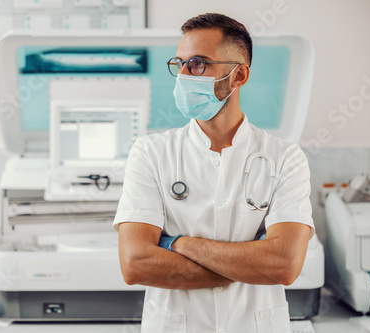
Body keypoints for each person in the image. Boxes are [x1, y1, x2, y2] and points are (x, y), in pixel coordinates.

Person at [113, 12, 314, 333]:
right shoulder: (151, 152)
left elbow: (284, 265)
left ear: (238, 76)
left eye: (197, 63)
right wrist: (249, 266)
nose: (183, 75)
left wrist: (177, 244)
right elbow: (136, 264)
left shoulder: (285, 157)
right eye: (179, 64)